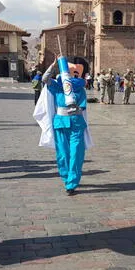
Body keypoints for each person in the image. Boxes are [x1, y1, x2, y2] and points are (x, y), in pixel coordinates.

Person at [34, 56, 93, 195]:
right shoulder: (57, 86)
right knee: (62, 154)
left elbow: (83, 106)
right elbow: (44, 79)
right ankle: (66, 177)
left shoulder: (80, 89)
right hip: (60, 123)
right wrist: (53, 65)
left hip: (76, 123)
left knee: (76, 153)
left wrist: (75, 107)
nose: (72, 75)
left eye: (76, 73)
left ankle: (72, 182)